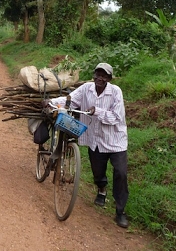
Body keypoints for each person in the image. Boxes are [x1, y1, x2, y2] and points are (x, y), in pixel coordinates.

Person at [43, 63, 129, 228]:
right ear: (94, 75)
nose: (100, 78)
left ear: (109, 79)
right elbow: (70, 100)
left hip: (115, 140)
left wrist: (97, 111)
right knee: (98, 171)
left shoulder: (116, 92)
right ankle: (101, 191)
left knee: (121, 173)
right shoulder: (86, 89)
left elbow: (116, 117)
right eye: (98, 74)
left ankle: (120, 211)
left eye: (104, 76)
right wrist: (51, 101)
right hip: (94, 140)